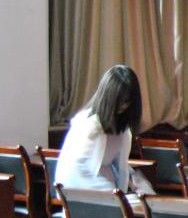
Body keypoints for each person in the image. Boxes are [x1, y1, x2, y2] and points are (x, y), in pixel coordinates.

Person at [54, 65, 143, 195]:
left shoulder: (124, 131)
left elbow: (122, 169)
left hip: (106, 191)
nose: (124, 106)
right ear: (108, 98)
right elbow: (75, 169)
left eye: (128, 101)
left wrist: (122, 197)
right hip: (81, 189)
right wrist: (110, 192)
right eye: (120, 101)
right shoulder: (88, 124)